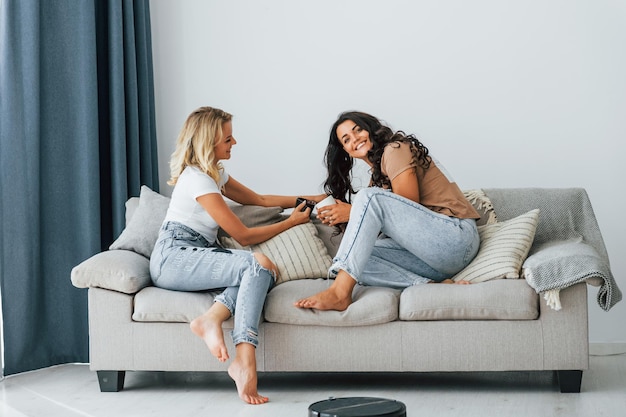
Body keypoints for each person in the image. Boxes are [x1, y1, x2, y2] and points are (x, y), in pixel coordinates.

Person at [150, 106, 324, 404]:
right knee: (259, 267)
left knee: (260, 274)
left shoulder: (215, 173)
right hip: (174, 256)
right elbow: (242, 235)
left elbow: (259, 200)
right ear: (209, 142)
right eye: (228, 139)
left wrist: (311, 199)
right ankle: (245, 360)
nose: (234, 144)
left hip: (198, 254)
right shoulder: (197, 180)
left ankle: (210, 319)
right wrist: (290, 222)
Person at [294, 111, 481, 311]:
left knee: (369, 197)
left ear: (370, 129)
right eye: (346, 139)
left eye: (358, 130)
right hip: (433, 259)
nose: (355, 139)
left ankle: (340, 293)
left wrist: (355, 211)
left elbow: (408, 204)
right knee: (355, 259)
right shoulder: (377, 179)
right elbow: (391, 230)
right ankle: (431, 287)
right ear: (346, 151)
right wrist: (351, 219)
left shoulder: (395, 149)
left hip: (456, 239)